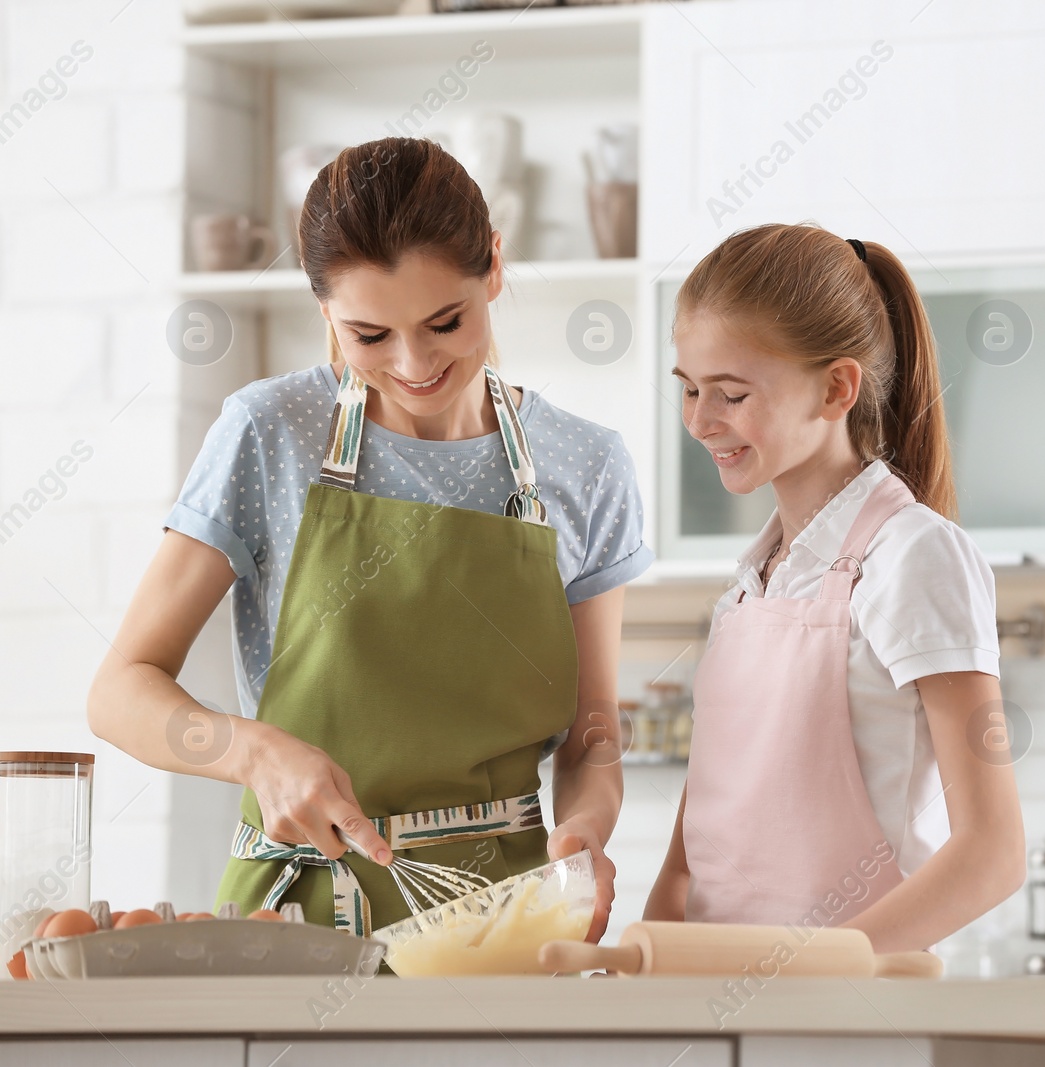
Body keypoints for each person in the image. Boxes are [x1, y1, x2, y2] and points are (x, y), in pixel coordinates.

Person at [88, 138, 651, 938]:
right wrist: (253, 752)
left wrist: (583, 835)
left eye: (445, 321)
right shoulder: (272, 431)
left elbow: (593, 729)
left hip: (501, 927)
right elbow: (119, 691)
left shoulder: (586, 463)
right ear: (324, 311)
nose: (415, 362)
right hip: (296, 927)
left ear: (494, 266)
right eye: (370, 335)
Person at [644, 223, 1025, 952]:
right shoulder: (750, 590)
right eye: (689, 389)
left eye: (729, 393)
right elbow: (686, 872)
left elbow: (992, 854)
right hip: (720, 1016)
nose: (698, 420)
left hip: (848, 1018)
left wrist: (811, 979)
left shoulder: (913, 555)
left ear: (836, 388)